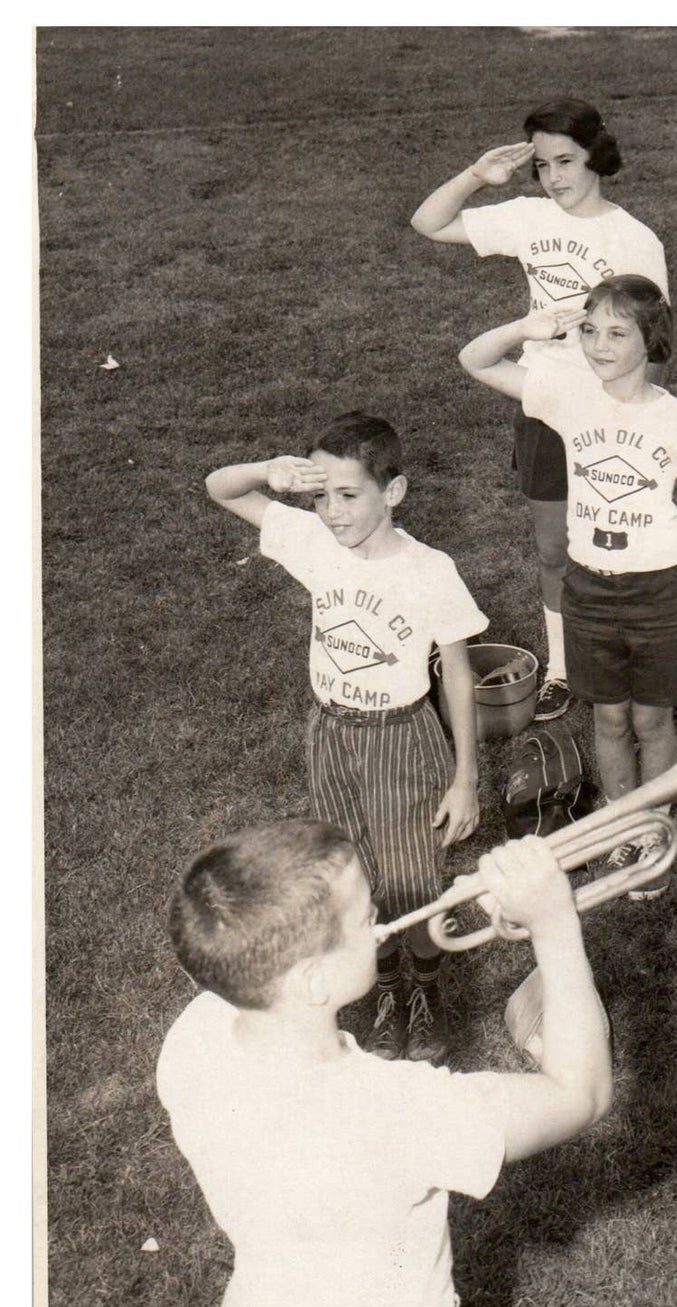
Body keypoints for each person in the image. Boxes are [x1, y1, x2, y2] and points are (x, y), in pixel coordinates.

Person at [158, 820, 612, 1307]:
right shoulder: (395, 1112)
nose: (380, 925)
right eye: (365, 918)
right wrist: (554, 926)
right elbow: (582, 1094)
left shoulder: (198, 1036)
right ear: (312, 980)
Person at [205, 413, 485, 1064]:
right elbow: (221, 487)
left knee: (411, 878)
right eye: (319, 495)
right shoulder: (311, 540)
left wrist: (465, 776)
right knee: (352, 872)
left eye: (348, 494)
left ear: (393, 491)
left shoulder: (430, 570)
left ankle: (425, 991)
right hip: (330, 733)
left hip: (401, 737)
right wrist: (265, 469)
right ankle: (386, 989)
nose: (331, 511)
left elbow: (460, 676)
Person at [459, 275, 677, 901]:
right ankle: (619, 816)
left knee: (653, 719)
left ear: (651, 340)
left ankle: (653, 821)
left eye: (617, 333)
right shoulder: (565, 395)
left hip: (659, 589)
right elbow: (474, 359)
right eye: (591, 330)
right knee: (606, 716)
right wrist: (528, 329)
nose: (599, 345)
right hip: (588, 588)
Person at [412, 98, 669, 724]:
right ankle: (562, 667)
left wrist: (631, 417)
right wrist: (478, 175)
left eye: (567, 161)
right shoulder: (527, 217)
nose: (554, 177)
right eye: (544, 165)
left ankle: (638, 657)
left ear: (596, 157)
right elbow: (428, 222)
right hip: (543, 400)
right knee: (555, 548)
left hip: (613, 411)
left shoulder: (633, 238)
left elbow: (658, 345)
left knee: (624, 541)